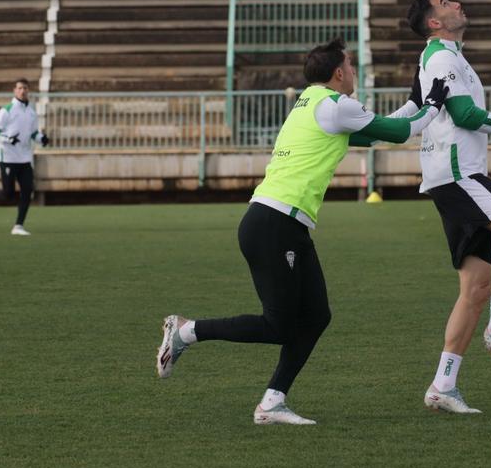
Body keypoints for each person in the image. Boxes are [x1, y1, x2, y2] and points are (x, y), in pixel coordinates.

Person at [155, 38, 448, 425]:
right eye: (350, 64)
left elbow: (379, 130)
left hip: (281, 224)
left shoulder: (314, 103)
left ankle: (273, 401)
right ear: (339, 72)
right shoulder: (335, 104)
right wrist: (431, 106)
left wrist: (417, 98)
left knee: (316, 316)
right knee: (278, 324)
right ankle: (186, 331)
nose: (354, 70)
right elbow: (396, 133)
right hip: (274, 224)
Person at [401, 0, 491, 415]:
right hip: (458, 175)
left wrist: (375, 126)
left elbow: (420, 106)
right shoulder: (443, 58)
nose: (456, 4)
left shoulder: (443, 56)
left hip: (451, 175)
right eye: (445, 3)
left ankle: (443, 385)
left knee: (476, 286)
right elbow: (464, 117)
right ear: (434, 20)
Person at [0, 77, 50, 235]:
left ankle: (18, 226)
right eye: (20, 88)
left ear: (28, 91)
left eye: (25, 88)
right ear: (15, 91)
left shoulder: (31, 112)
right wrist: (8, 139)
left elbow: (33, 133)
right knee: (7, 194)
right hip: (7, 157)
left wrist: (41, 138)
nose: (23, 91)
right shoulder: (6, 110)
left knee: (28, 190)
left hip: (24, 158)